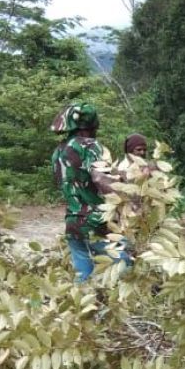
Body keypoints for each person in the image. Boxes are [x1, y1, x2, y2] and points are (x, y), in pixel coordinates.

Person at [50, 102, 126, 282]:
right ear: (93, 124)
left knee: (83, 280)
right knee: (124, 264)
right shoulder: (90, 146)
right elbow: (100, 179)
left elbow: (63, 182)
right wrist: (127, 200)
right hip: (96, 222)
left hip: (73, 222)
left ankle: (85, 308)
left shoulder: (58, 151)